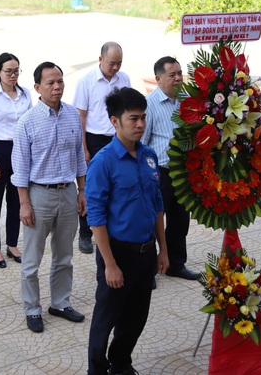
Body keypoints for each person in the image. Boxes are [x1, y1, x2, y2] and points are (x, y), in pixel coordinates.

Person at [85, 87, 169, 375]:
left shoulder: (148, 156)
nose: (140, 125)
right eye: (133, 118)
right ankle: (96, 369)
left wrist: (163, 250)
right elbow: (95, 217)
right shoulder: (103, 161)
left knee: (136, 318)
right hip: (117, 252)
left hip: (146, 252)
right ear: (114, 121)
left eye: (143, 118)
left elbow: (157, 205)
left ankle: (120, 363)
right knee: (106, 318)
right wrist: (109, 264)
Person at [11, 62, 87, 333]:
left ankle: (60, 302)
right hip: (38, 195)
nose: (57, 87)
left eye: (60, 82)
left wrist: (82, 191)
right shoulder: (27, 122)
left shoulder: (71, 115)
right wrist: (24, 204)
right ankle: (32, 309)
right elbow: (19, 169)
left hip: (67, 193)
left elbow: (79, 156)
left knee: (64, 255)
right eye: (50, 83)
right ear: (37, 88)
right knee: (32, 260)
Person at [141, 57, 200, 281]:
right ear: (158, 78)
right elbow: (143, 143)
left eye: (179, 74)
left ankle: (176, 263)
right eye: (172, 75)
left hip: (183, 172)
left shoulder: (187, 101)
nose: (178, 78)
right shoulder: (149, 104)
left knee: (179, 220)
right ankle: (148, 270)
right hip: (159, 173)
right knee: (151, 220)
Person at [72, 41, 131, 254]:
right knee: (92, 188)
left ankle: (112, 230)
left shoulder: (124, 79)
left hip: (118, 139)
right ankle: (86, 234)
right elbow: (81, 116)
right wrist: (84, 148)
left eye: (119, 63)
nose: (115, 68)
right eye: (111, 63)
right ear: (100, 59)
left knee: (118, 186)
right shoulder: (86, 81)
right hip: (94, 139)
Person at [0, 53, 33, 268]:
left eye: (16, 70)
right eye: (8, 71)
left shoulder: (25, 94)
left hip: (20, 151)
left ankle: (12, 244)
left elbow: (30, 124)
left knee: (16, 201)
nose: (13, 75)